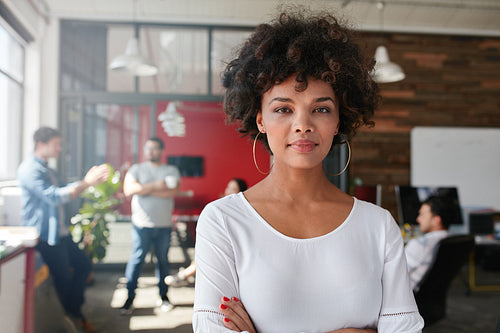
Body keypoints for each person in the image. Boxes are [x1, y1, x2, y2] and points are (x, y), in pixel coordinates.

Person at [193, 10, 424, 333]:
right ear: (260, 118)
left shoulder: (378, 226)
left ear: (339, 120)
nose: (303, 125)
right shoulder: (223, 221)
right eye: (283, 109)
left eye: (321, 109)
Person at [17, 126, 110, 332]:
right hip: (45, 237)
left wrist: (86, 183)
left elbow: (64, 188)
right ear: (42, 144)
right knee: (64, 280)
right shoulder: (29, 169)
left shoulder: (48, 168)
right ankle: (72, 318)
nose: (60, 149)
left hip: (60, 233)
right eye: (56, 144)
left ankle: (74, 314)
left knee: (84, 266)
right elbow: (54, 196)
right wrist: (86, 183)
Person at [120, 137, 181, 315]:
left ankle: (163, 297)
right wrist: (156, 186)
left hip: (164, 225)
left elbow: (173, 191)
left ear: (161, 151)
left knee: (163, 261)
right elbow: (129, 190)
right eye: (147, 148)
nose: (150, 152)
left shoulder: (171, 170)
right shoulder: (136, 169)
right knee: (137, 260)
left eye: (154, 148)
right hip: (142, 225)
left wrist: (144, 189)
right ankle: (129, 298)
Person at [164, 178, 248, 287]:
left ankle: (184, 275)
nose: (228, 191)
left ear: (240, 192)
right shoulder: (219, 206)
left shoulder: (242, 211)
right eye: (228, 187)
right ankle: (185, 275)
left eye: (233, 189)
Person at [405, 195, 452, 291]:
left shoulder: (420, 245)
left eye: (422, 215)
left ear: (436, 220)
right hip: (433, 297)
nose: (418, 219)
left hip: (407, 297)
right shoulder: (453, 241)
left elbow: (394, 276)